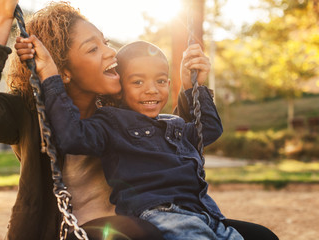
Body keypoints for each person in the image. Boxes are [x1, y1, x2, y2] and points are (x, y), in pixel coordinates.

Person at [0, 0, 223, 239]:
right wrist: (1, 20)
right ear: (62, 70)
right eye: (93, 49)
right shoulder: (30, 113)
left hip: (135, 223)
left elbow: (171, 141)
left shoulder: (117, 108)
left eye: (105, 42)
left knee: (256, 234)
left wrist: (191, 88)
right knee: (139, 231)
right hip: (73, 232)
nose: (111, 53)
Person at [23, 35, 241, 239]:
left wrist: (193, 86)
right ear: (119, 90)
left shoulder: (173, 124)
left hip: (205, 213)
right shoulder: (111, 122)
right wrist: (51, 79)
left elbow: (209, 129)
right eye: (138, 82)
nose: (152, 90)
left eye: (161, 81)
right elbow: (72, 136)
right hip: (160, 215)